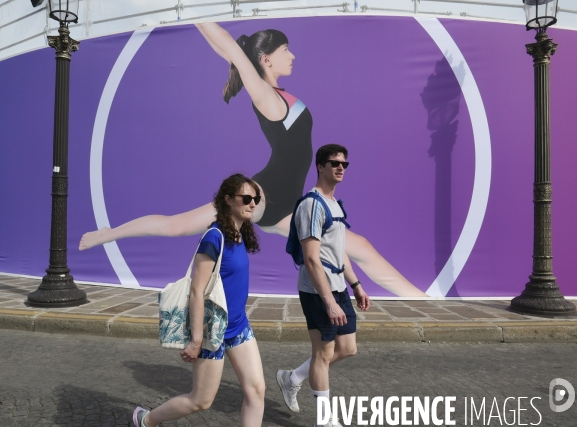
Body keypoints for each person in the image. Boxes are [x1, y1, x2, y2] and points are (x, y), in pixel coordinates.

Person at [79, 21, 425, 298]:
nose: (293, 55)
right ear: (266, 59)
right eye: (286, 50)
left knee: (358, 245)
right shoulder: (266, 96)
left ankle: (418, 299)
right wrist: (189, 15)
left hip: (288, 207)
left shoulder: (280, 94)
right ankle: (107, 234)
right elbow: (229, 45)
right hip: (262, 196)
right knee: (178, 226)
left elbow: (229, 52)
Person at [133, 174, 265, 427]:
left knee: (256, 391)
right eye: (246, 198)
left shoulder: (239, 235)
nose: (252, 203)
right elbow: (197, 290)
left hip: (238, 326)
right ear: (228, 200)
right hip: (211, 331)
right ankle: (147, 420)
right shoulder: (215, 237)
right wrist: (195, 341)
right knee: (201, 401)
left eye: (255, 199)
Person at [277, 144, 369, 427]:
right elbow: (311, 258)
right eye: (333, 163)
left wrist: (356, 284)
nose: (340, 168)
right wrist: (328, 300)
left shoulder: (335, 205)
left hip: (338, 286)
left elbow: (339, 251)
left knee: (347, 347)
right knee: (322, 353)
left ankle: (292, 378)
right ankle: (325, 420)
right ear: (320, 166)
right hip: (317, 291)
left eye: (344, 164)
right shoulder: (312, 204)